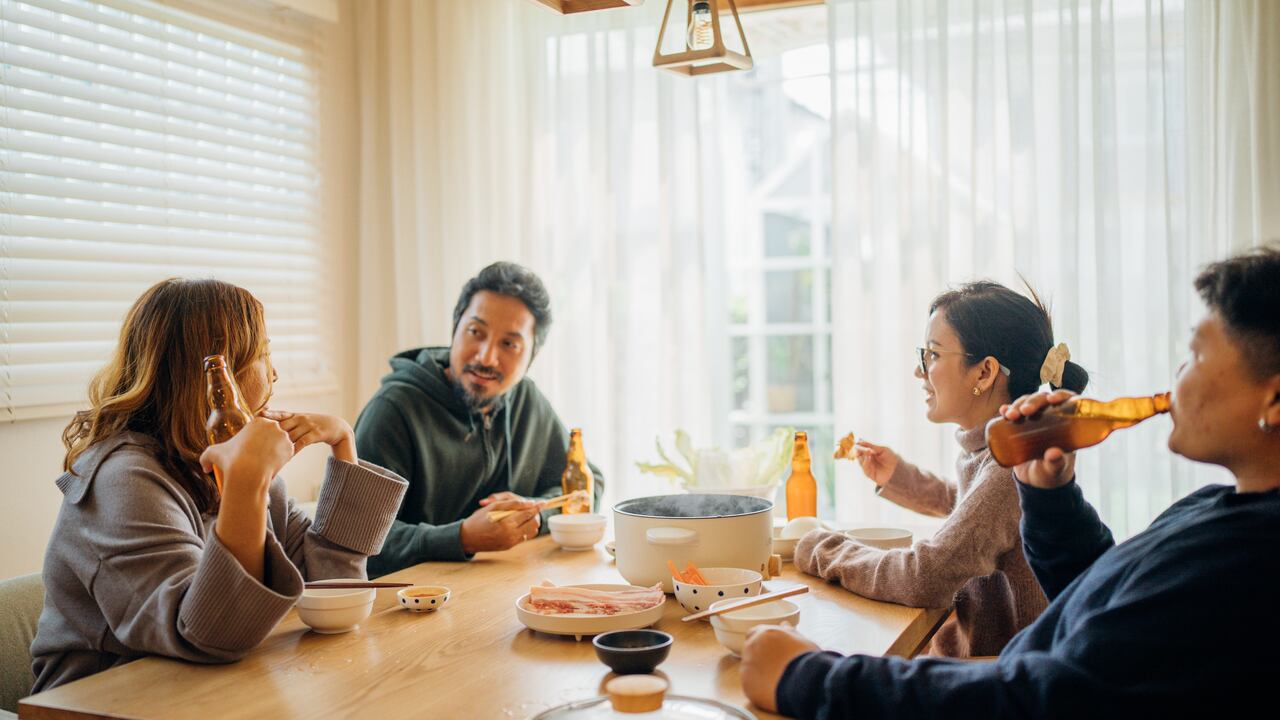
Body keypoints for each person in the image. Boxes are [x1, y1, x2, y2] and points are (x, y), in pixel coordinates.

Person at [740, 247, 1280, 717]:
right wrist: (1051, 498)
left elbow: (1046, 699)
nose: (1176, 378)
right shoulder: (1216, 509)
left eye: (1197, 356)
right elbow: (1095, 597)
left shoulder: (1245, 561)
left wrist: (810, 679)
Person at [31, 279, 408, 692]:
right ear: (215, 375)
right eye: (263, 354)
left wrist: (343, 443)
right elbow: (211, 634)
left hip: (207, 692)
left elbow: (333, 587)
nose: (275, 372)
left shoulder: (226, 460)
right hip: (101, 703)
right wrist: (247, 484)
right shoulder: (122, 481)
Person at [796, 282, 1086, 657]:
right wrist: (901, 479)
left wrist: (824, 547)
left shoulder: (1009, 465)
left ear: (984, 373)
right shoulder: (1002, 449)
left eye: (932, 354)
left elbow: (924, 576)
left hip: (996, 681)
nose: (920, 372)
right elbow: (976, 514)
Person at [355, 262, 604, 575]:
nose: (486, 357)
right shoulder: (393, 411)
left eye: (509, 344)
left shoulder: (526, 399)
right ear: (455, 329)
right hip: (404, 606)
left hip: (494, 593)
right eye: (476, 332)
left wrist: (533, 515)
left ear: (531, 357)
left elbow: (587, 485)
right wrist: (460, 537)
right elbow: (352, 540)